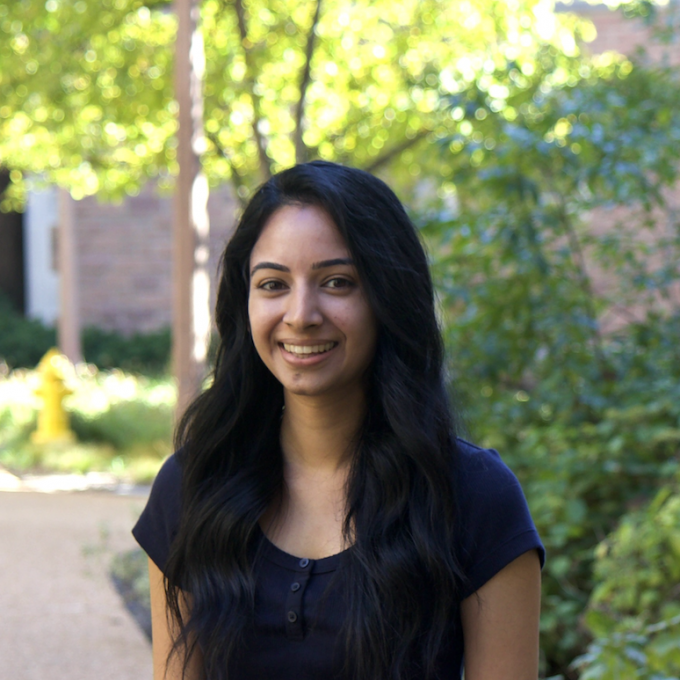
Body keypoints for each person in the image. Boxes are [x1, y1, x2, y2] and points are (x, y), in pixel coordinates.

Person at [133, 161, 544, 680]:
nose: (301, 314)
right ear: (246, 303)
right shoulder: (193, 486)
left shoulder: (474, 497)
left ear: (387, 298)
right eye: (273, 284)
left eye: (337, 282)